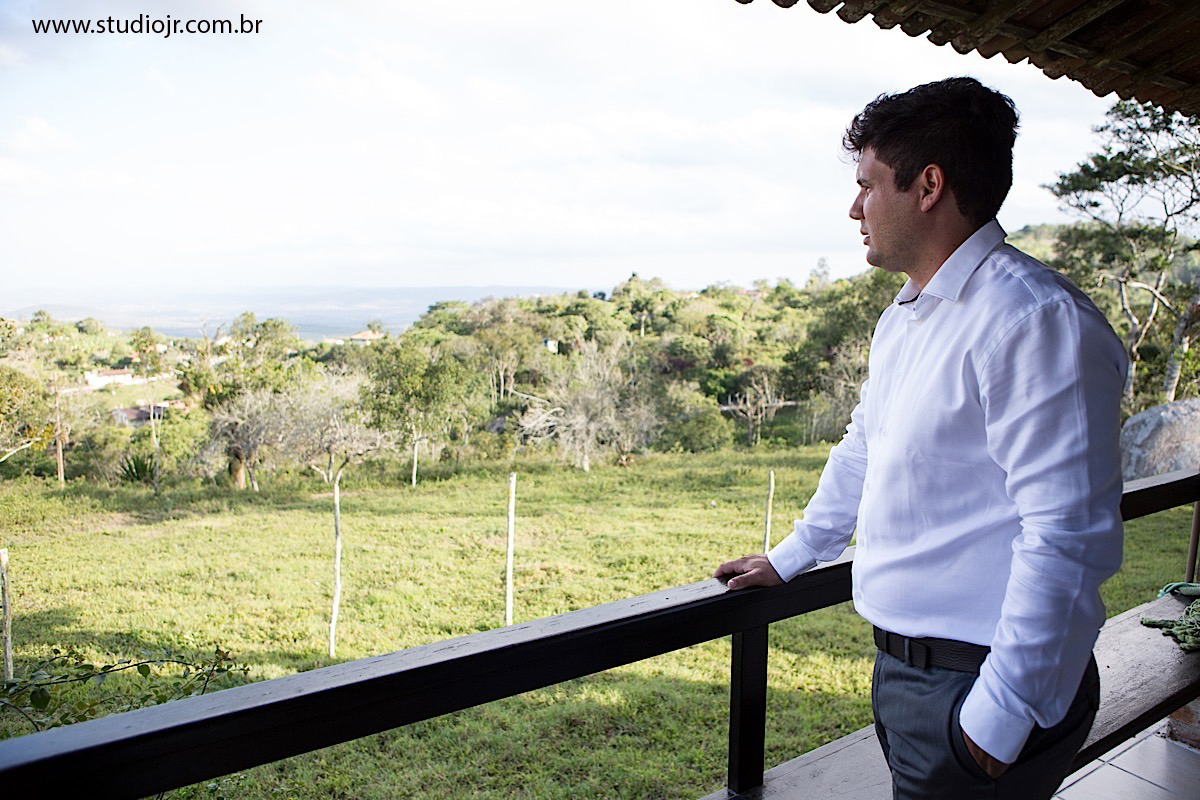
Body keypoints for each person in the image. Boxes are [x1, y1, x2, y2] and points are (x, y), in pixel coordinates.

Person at [714, 77, 1126, 800]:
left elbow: (1068, 533)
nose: (855, 209)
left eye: (867, 185)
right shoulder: (908, 317)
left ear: (929, 186)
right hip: (913, 675)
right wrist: (793, 556)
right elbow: (864, 447)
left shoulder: (1032, 322)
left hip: (981, 682)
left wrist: (998, 720)